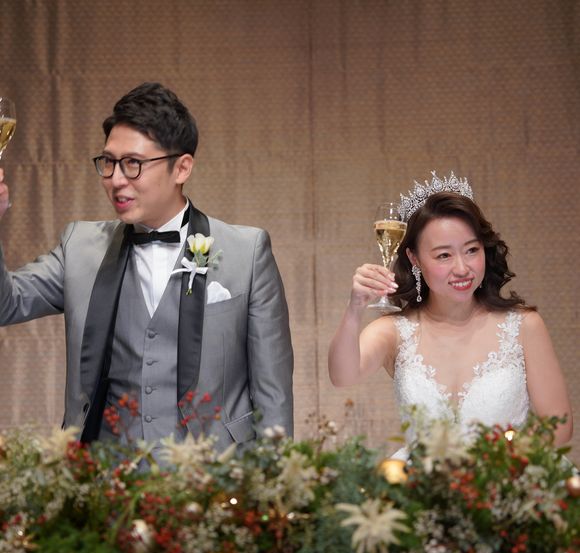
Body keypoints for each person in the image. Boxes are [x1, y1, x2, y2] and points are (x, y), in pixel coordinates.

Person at [0, 82, 293, 456]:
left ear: (181, 168)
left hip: (215, 473)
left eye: (133, 164)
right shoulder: (80, 248)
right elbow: (7, 304)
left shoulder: (246, 252)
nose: (116, 179)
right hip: (108, 474)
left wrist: (274, 480)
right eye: (109, 162)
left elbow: (273, 393)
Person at [328, 171, 572, 452]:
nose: (462, 268)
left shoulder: (524, 326)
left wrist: (496, 467)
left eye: (471, 250)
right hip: (422, 477)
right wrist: (354, 308)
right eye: (444, 255)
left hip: (507, 473)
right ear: (414, 258)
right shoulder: (394, 332)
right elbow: (342, 376)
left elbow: (559, 427)